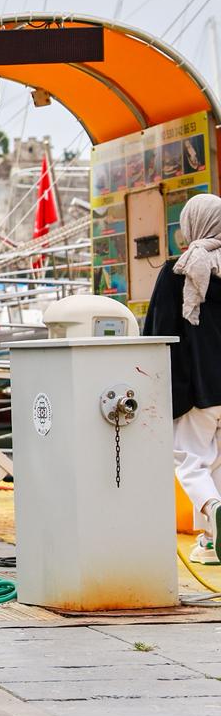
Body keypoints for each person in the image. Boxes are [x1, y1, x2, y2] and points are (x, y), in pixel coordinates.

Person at [145, 193, 221, 565]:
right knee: (219, 463)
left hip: (198, 386)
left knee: (190, 459)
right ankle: (211, 541)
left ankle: (212, 507)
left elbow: (158, 331)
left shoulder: (179, 271)